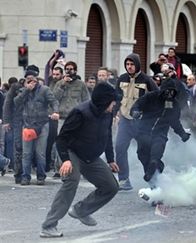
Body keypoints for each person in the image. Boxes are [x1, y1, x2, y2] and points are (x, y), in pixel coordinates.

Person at [40, 83, 119, 238]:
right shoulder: (80, 112)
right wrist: (66, 160)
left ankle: (81, 210)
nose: (114, 104)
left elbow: (107, 135)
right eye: (112, 101)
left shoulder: (107, 113)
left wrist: (110, 159)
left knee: (111, 186)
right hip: (72, 153)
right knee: (72, 181)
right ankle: (48, 226)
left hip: (90, 156)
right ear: (104, 100)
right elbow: (62, 138)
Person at [131, 77, 190, 188]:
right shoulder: (150, 97)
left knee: (155, 157)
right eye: (167, 91)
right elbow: (137, 105)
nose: (169, 94)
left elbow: (175, 122)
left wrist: (183, 134)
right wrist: (135, 111)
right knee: (144, 157)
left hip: (160, 134)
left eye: (172, 92)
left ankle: (155, 186)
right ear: (162, 90)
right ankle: (155, 171)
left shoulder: (174, 104)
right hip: (144, 132)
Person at [115, 53, 158, 191]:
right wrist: (115, 113)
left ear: (137, 64)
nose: (129, 67)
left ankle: (153, 182)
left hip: (142, 123)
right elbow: (117, 97)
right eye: (127, 64)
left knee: (144, 153)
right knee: (120, 148)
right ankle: (124, 180)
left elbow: (157, 99)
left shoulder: (147, 80)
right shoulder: (121, 79)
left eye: (132, 64)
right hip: (125, 121)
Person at [14, 68, 60, 185]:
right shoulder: (23, 91)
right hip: (27, 125)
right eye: (28, 79)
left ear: (36, 79)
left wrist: (55, 111)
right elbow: (16, 102)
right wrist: (26, 91)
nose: (30, 82)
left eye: (32, 79)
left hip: (42, 125)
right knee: (26, 153)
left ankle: (41, 176)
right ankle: (25, 177)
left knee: (40, 153)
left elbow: (54, 101)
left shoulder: (44, 90)